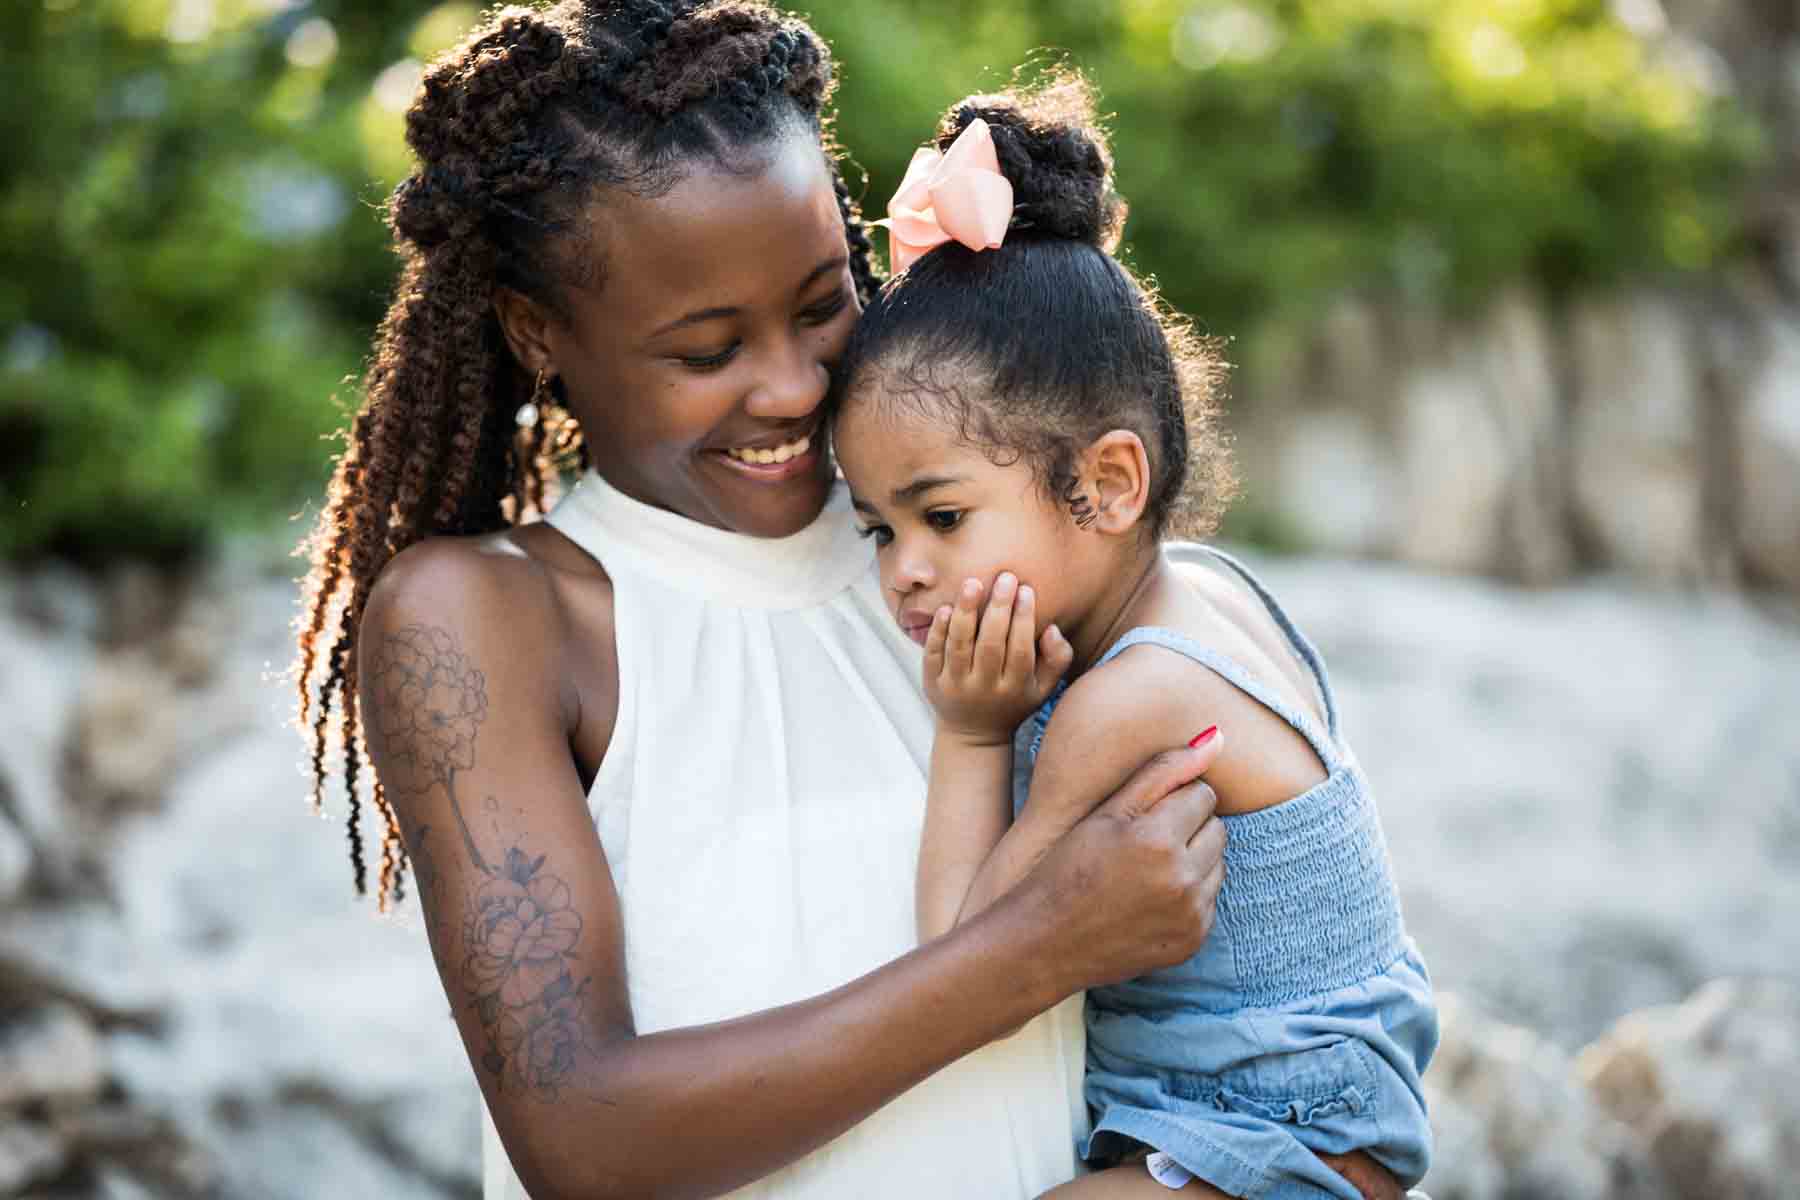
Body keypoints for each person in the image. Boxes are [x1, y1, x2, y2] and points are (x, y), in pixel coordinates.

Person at [291, 2, 1408, 1197]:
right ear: (538, 330)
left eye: (824, 302)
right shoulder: (490, 620)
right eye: (707, 351)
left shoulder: (954, 541)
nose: (788, 386)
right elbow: (581, 1138)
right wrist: (1031, 952)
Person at [831, 76, 1437, 1199]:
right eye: (877, 528)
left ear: (1108, 483)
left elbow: (966, 963)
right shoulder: (1210, 586)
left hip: (1271, 1132)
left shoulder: (1129, 699)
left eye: (943, 516)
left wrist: (970, 732)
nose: (904, 567)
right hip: (1336, 1094)